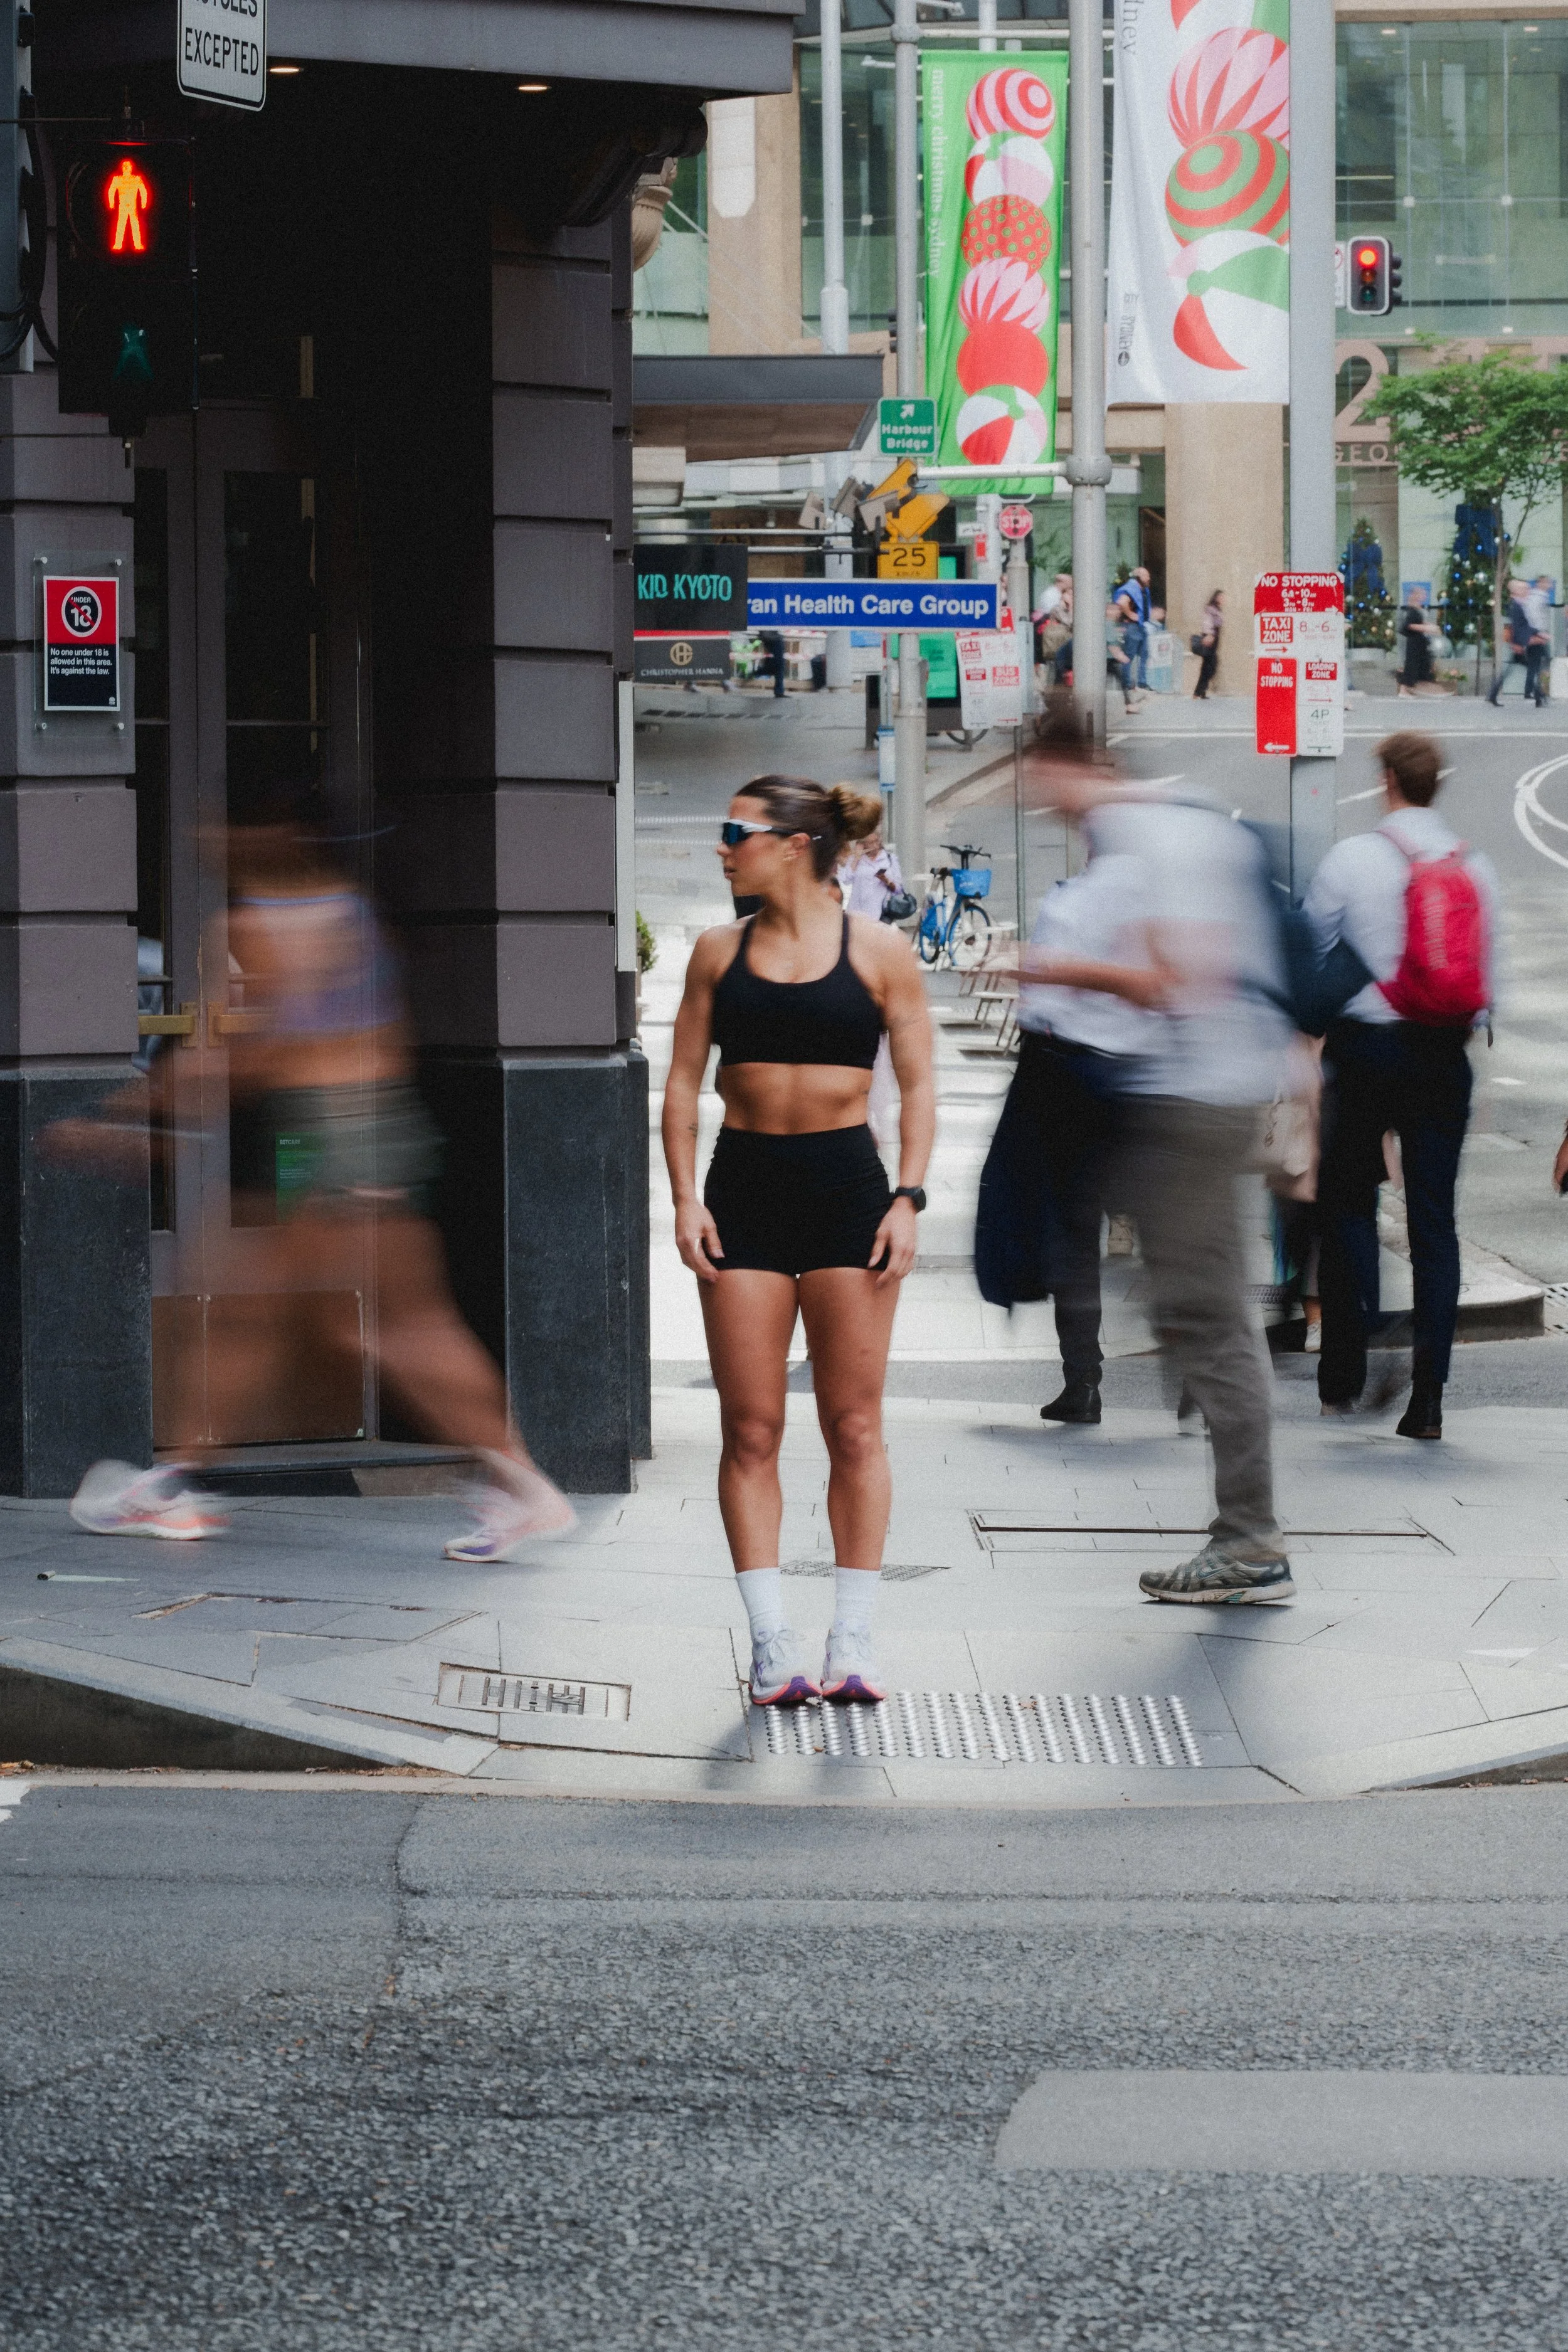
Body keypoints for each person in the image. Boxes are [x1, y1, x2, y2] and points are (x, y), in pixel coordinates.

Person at [58, 796, 575, 1560]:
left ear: (273, 829)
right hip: (379, 1124)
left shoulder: (254, 924)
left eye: (225, 823)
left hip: (320, 1133)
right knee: (374, 1322)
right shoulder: (350, 910)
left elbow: (257, 1052)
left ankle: (173, 1483)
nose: (208, 838)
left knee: (271, 1311)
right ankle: (522, 1484)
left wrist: (129, 1114)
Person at [662, 775, 935, 1707]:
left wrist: (907, 1198)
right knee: (752, 1428)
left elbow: (920, 1084)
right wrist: (684, 1199)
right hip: (742, 1194)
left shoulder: (881, 952)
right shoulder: (714, 952)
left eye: (735, 829)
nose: (723, 845)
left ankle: (853, 1640)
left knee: (854, 1426)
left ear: (791, 844)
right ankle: (772, 1643)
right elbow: (682, 1086)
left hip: (847, 1195)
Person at [1019, 701, 1296, 1604]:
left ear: (1065, 765)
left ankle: (1249, 1540)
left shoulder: (1142, 834)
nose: (1036, 797)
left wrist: (1061, 969)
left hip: (1191, 1097)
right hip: (1190, 1095)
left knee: (1210, 1320)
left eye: (1037, 778)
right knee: (1193, 1310)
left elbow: (1182, 979)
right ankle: (1244, 1526)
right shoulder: (1177, 817)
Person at [1305, 731, 1498, 1440]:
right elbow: (1487, 984)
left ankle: (1343, 1377)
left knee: (1347, 1207)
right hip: (1442, 1055)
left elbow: (1311, 944)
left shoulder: (1354, 858)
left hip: (1365, 1052)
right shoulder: (1474, 868)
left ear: (1386, 778)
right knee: (1434, 1225)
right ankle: (1428, 1399)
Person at [993, 746, 1162, 1427]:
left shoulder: (1113, 887)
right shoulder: (1117, 883)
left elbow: (1149, 983)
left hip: (1087, 1074)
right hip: (1107, 1074)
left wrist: (1050, 969)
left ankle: (1085, 1381)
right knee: (1128, 1227)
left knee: (1075, 1230)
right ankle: (1101, 1379)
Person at [1486, 581, 1545, 707]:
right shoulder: (1516, 606)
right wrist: (1518, 643)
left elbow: (1524, 626)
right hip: (1518, 645)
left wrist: (1537, 634)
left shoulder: (1518, 605)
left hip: (1518, 644)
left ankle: (1539, 696)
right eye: (1525, 589)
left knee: (1525, 670)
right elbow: (1517, 628)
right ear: (1517, 591)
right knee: (1530, 669)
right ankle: (1540, 697)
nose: (1527, 592)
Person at [1396, 585, 1438, 696]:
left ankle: (1421, 688)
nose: (1424, 596)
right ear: (1415, 595)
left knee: (1423, 665)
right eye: (1421, 594)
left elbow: (1419, 623)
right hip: (1414, 642)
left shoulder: (1418, 609)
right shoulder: (1412, 610)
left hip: (1421, 642)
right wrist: (1427, 628)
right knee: (1412, 665)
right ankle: (1404, 690)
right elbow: (1409, 625)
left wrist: (1430, 627)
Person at [1193, 589, 1222, 700]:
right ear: (1215, 597)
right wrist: (1209, 635)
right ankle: (1198, 692)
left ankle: (1200, 692)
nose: (1222, 599)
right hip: (1210, 639)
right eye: (1220, 597)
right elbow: (1207, 622)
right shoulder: (1211, 609)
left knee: (1208, 667)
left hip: (1214, 640)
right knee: (1210, 666)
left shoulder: (1218, 609)